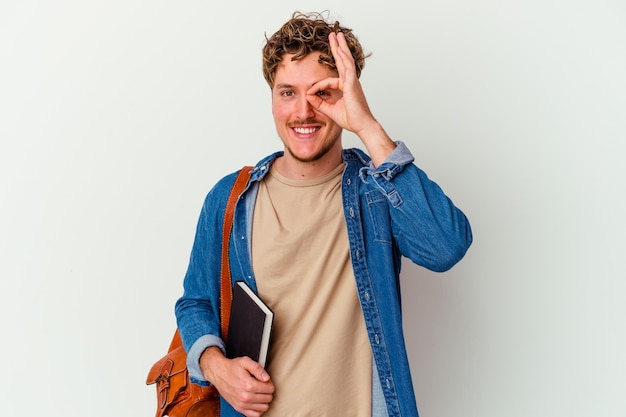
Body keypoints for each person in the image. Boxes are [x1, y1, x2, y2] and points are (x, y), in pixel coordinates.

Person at [175, 11, 472, 417]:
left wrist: (367, 126)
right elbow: (195, 302)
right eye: (288, 93)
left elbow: (446, 246)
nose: (303, 112)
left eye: (321, 93)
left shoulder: (375, 191)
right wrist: (215, 365)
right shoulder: (231, 197)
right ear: (272, 97)